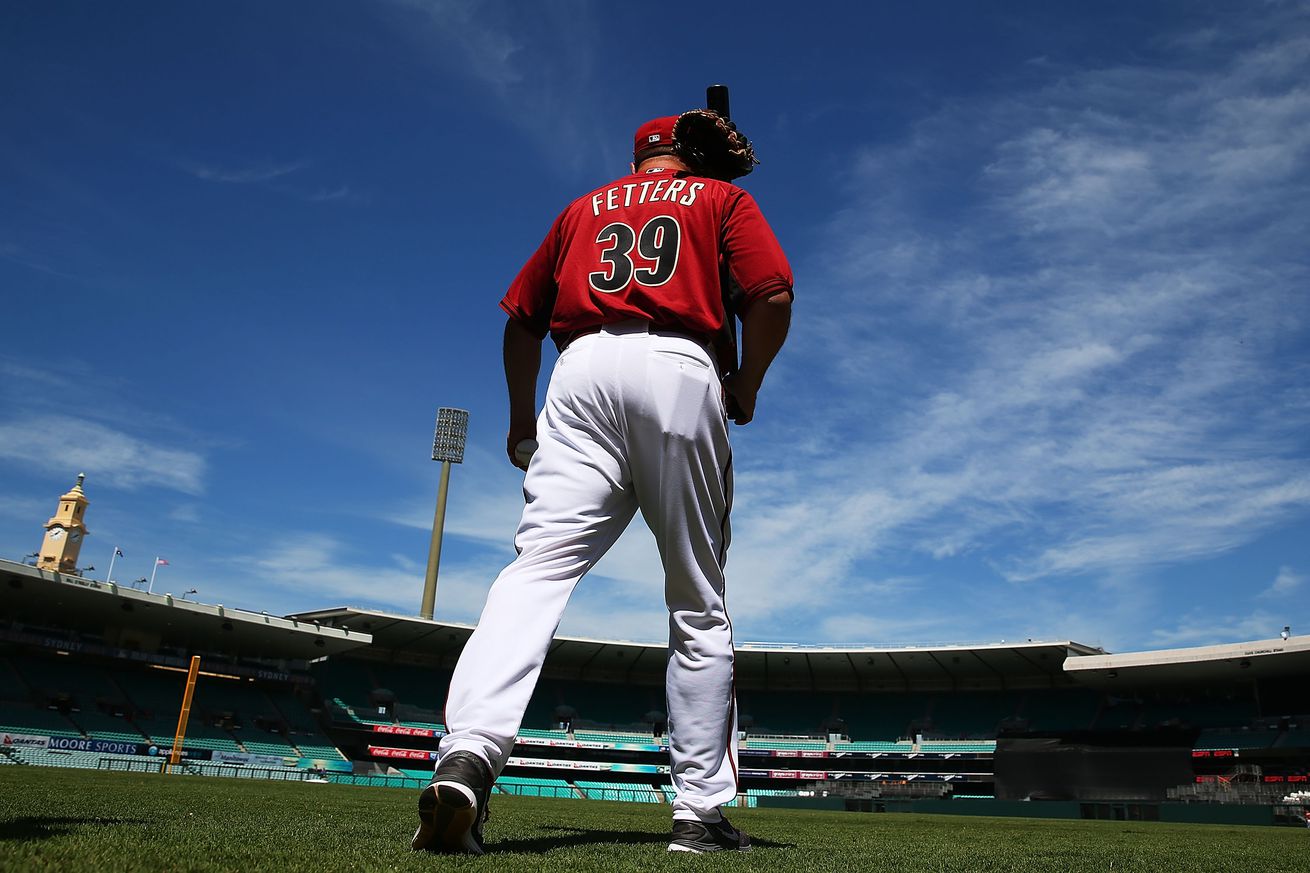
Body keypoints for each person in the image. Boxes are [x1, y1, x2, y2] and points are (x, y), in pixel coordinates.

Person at [411, 113, 793, 855]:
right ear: (695, 157)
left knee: (534, 573)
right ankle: (699, 813)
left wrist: (523, 423)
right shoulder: (723, 201)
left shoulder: (581, 207)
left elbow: (521, 321)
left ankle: (468, 754)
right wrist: (746, 384)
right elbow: (771, 295)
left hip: (577, 372)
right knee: (698, 599)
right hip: (681, 365)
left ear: (642, 156)